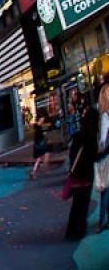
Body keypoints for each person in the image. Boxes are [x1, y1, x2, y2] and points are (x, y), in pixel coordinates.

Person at [65, 107, 99, 241]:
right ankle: (79, 230)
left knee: (76, 203)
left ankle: (71, 230)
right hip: (87, 174)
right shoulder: (91, 136)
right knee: (83, 203)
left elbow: (72, 154)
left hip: (76, 172)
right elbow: (94, 156)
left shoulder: (78, 135)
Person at [97, 78, 109, 232]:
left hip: (107, 155)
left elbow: (102, 140)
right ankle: (102, 220)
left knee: (106, 190)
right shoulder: (105, 115)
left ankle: (102, 220)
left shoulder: (105, 115)